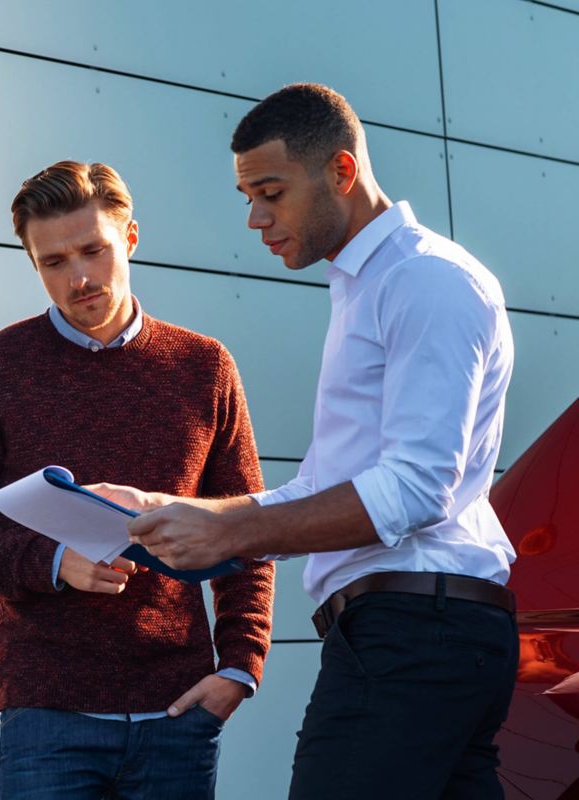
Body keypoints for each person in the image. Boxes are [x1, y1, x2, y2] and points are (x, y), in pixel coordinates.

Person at [95, 84, 519, 799]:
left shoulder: (423, 281)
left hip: (413, 636)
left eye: (270, 191)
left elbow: (416, 489)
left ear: (341, 173)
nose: (256, 218)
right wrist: (186, 512)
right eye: (246, 196)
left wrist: (233, 534)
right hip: (421, 634)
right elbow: (322, 490)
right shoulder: (368, 286)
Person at [0, 160, 275, 800]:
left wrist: (240, 667)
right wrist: (53, 562)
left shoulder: (203, 367)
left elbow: (246, 531)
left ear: (130, 238)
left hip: (178, 714)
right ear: (33, 264)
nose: (78, 278)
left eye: (93, 250)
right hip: (48, 715)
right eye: (53, 262)